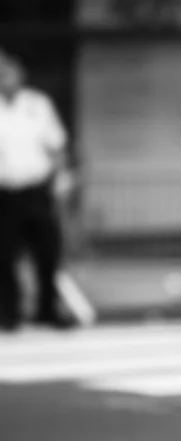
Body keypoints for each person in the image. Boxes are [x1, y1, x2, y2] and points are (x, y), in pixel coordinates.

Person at [0, 50, 74, 331]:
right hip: (5, 193)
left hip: (36, 190)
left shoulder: (38, 104)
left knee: (48, 252)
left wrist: (62, 178)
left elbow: (56, 145)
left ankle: (48, 309)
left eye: (8, 72)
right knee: (4, 256)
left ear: (20, 74)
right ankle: (10, 313)